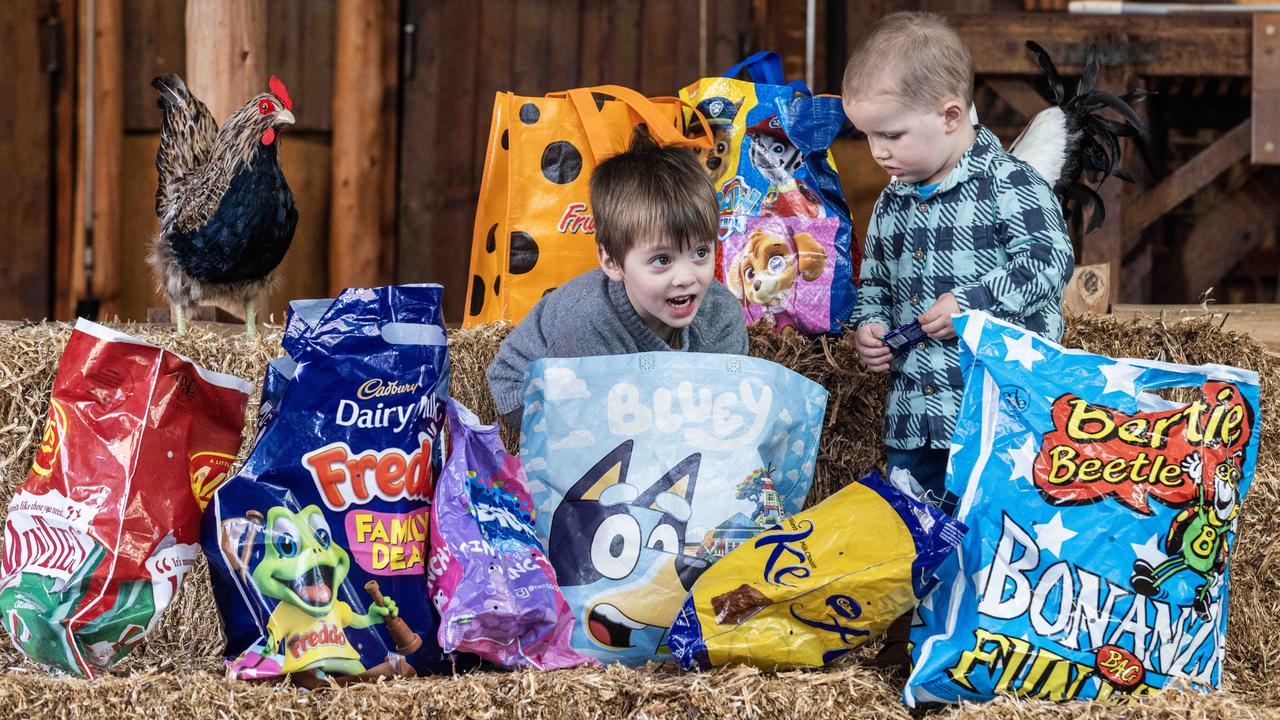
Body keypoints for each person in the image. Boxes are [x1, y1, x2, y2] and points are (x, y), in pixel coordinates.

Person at [842, 11, 1074, 669]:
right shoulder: (892, 201)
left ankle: (992, 648)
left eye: (890, 134)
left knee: (994, 534)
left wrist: (970, 304)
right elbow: (877, 283)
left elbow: (1047, 266)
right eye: (868, 136)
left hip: (998, 416)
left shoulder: (1010, 185)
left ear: (949, 116)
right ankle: (914, 648)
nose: (878, 152)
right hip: (917, 414)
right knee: (913, 532)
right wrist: (871, 327)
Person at [487, 126, 749, 429]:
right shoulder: (588, 322)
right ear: (612, 262)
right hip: (540, 389)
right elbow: (595, 425)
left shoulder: (722, 314)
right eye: (662, 260)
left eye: (700, 253)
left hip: (644, 395)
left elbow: (726, 403)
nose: (686, 277)